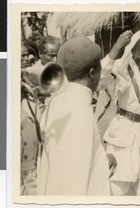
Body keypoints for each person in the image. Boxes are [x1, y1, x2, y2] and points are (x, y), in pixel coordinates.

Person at [37, 37, 116, 195]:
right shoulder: (78, 112)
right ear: (92, 73)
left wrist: (102, 160)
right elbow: (71, 185)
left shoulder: (58, 101)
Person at [102, 33, 140, 195]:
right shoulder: (120, 68)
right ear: (133, 50)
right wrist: (116, 49)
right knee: (118, 189)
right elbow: (100, 80)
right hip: (122, 137)